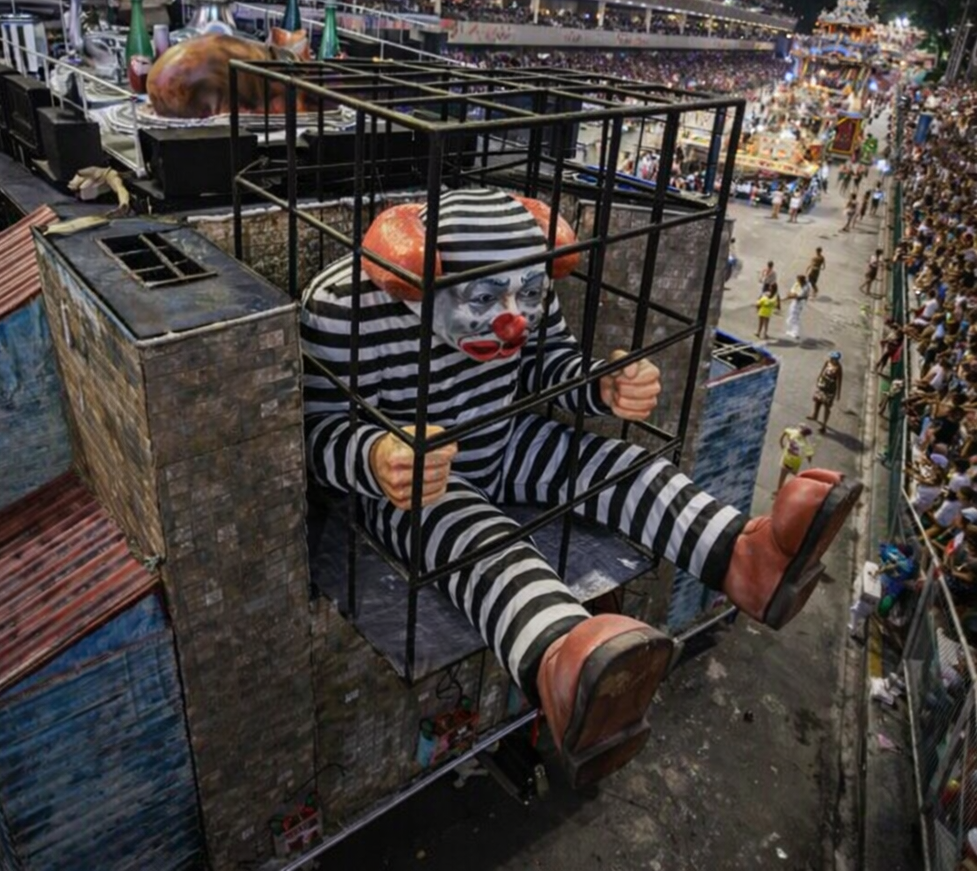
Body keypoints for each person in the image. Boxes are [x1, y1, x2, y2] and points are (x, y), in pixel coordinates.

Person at [300, 187, 860, 788]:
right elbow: (315, 432)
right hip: (409, 489)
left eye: (531, 293)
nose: (515, 315)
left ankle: (747, 557)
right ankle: (565, 666)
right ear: (414, 284)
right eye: (486, 298)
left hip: (508, 437)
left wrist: (600, 386)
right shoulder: (341, 305)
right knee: (486, 545)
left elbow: (547, 363)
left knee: (624, 465)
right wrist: (380, 454)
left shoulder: (527, 290)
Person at [810, 351, 843, 434]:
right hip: (822, 385)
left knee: (826, 407)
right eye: (831, 358)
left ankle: (824, 425)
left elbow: (839, 381)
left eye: (833, 359)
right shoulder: (827, 362)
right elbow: (822, 370)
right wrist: (819, 377)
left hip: (830, 390)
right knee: (817, 401)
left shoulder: (838, 368)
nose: (832, 359)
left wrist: (838, 394)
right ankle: (814, 415)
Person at [777, 424, 815, 492]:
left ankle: (778, 491)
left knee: (782, 476)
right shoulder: (806, 444)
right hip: (795, 463)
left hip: (786, 458)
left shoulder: (793, 433)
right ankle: (789, 492)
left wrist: (781, 443)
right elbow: (809, 455)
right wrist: (810, 464)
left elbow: (786, 431)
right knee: (793, 477)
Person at [784, 273, 811, 341]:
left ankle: (795, 333)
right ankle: (792, 330)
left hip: (800, 303)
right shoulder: (798, 283)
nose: (797, 281)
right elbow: (792, 291)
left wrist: (789, 296)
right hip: (795, 301)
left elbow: (798, 296)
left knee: (794, 317)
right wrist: (790, 294)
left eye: (799, 280)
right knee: (791, 314)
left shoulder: (805, 287)